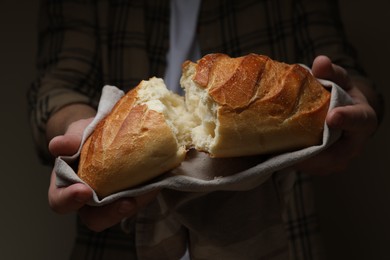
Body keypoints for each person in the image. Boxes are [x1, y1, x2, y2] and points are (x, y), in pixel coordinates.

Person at [28, 0, 383, 259]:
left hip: (275, 227)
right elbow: (58, 85)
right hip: (122, 240)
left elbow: (342, 72)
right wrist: (77, 128)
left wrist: (352, 106)